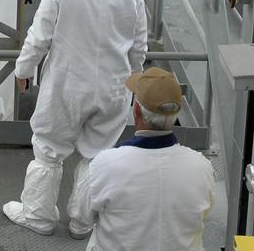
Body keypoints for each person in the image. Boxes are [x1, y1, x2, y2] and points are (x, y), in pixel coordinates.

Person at [3, 0, 148, 237]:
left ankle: (38, 215)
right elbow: (139, 44)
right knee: (97, 155)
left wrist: (23, 70)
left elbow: (40, 35)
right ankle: (84, 223)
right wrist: (135, 81)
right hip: (113, 86)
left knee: (49, 150)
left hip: (66, 84)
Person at [68, 67, 215, 248]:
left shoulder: (105, 165)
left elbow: (82, 218)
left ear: (136, 110)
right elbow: (205, 212)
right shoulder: (201, 167)